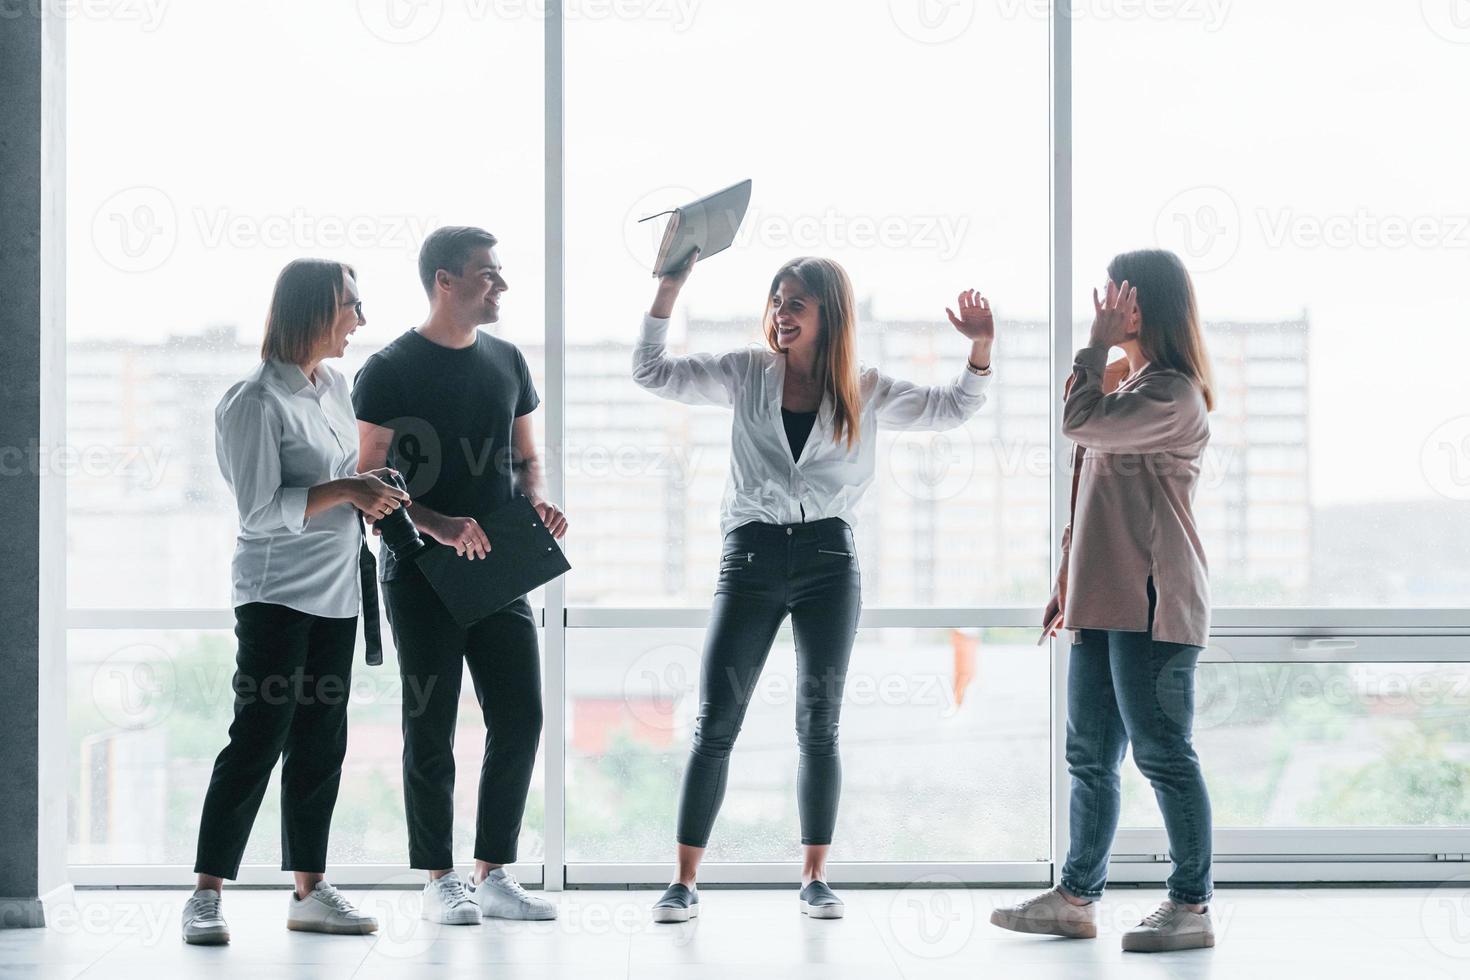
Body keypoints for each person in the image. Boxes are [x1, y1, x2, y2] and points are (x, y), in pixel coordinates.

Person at [635, 251, 996, 923]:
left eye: (795, 302)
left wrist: (978, 351)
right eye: (776, 300)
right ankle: (683, 883)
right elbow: (651, 372)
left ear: (830, 314)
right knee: (716, 720)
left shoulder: (865, 387)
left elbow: (952, 410)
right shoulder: (746, 373)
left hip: (831, 561)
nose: (781, 313)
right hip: (751, 556)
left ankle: (814, 878)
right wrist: (668, 290)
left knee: (819, 725)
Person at [990, 249, 1217, 953]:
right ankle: (1076, 897)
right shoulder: (1132, 385)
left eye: (1121, 293)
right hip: (1098, 600)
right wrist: (1066, 587)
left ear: (1149, 303)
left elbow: (1076, 421)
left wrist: (1093, 345)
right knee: (1090, 757)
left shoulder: (1172, 393)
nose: (1108, 303)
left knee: (1163, 754)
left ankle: (1191, 906)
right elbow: (1086, 494)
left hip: (1152, 602)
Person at [183, 259, 408, 945]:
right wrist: (345, 492)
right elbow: (258, 512)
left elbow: (334, 476)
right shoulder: (253, 402)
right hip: (276, 596)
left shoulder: (332, 386)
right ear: (314, 310)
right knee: (258, 738)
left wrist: (368, 483)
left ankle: (309, 891)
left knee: (320, 743)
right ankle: (206, 894)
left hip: (338, 593)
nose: (361, 321)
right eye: (351, 306)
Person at [353, 226, 567, 925]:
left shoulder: (507, 361)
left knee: (521, 717)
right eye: (487, 274)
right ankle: (441, 878)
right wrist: (435, 523)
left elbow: (524, 457)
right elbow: (367, 480)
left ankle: (494, 872)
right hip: (417, 572)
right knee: (430, 724)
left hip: (500, 567)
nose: (499, 285)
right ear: (445, 281)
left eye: (500, 273)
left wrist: (537, 503)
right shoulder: (388, 368)